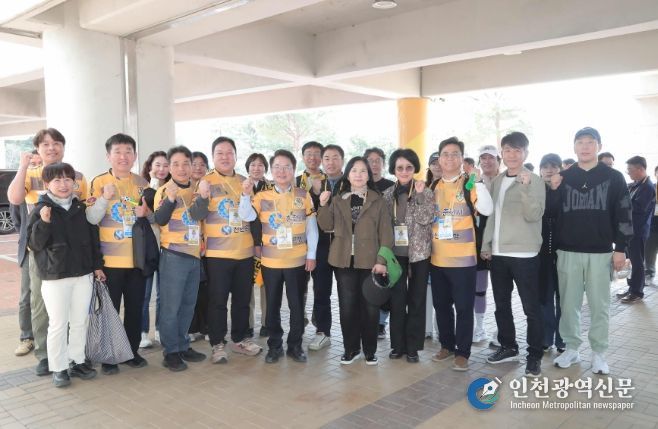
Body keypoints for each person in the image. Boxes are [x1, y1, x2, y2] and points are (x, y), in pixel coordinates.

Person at [548, 127, 633, 375]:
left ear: (599, 146)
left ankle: (599, 353)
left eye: (590, 142)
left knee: (600, 305)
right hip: (567, 251)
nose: (585, 147)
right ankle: (571, 348)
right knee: (568, 304)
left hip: (601, 252)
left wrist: (621, 248)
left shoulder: (613, 177)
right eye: (580, 142)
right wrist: (553, 190)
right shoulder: (563, 177)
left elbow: (624, 213)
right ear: (574, 146)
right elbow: (550, 214)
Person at [7, 128, 89, 377]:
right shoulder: (31, 174)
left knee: (72, 307)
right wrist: (23, 166)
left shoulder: (77, 176)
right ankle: (45, 355)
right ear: (37, 149)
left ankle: (72, 355)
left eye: (56, 143)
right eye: (45, 144)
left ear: (63, 147)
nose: (51, 148)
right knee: (40, 304)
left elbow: (83, 210)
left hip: (70, 251)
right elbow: (15, 198)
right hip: (40, 248)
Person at [27, 162, 103, 387]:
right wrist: (44, 222)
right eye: (57, 180)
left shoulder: (80, 207)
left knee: (80, 321)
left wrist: (97, 266)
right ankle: (59, 367)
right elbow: (33, 244)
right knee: (58, 324)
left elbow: (92, 240)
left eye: (68, 179)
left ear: (74, 182)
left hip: (83, 274)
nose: (63, 184)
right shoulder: (41, 208)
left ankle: (77, 360)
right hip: (55, 276)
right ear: (47, 184)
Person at [239, 149, 318, 364]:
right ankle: (274, 346)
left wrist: (311, 254)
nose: (282, 171)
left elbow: (311, 227)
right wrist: (245, 195)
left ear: (293, 169)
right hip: (271, 261)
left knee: (297, 305)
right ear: (271, 171)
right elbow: (246, 215)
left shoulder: (303, 195)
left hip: (298, 260)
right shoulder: (261, 196)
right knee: (272, 305)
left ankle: (295, 345)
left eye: (287, 167)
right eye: (277, 167)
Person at [188, 137, 261, 364]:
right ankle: (217, 343)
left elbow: (253, 216)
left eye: (229, 152)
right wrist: (202, 195)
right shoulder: (205, 182)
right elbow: (196, 215)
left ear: (236, 156)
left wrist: (257, 244)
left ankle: (240, 339)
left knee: (242, 299)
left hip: (244, 252)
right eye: (220, 153)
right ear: (213, 157)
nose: (225, 157)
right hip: (217, 254)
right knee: (217, 301)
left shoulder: (244, 181)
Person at [481, 132, 546, 378]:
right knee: (501, 305)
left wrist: (526, 188)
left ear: (525, 153)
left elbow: (534, 215)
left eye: (517, 150)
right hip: (498, 253)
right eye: (507, 150)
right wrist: (486, 244)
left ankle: (534, 356)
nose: (512, 155)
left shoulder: (534, 180)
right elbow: (492, 215)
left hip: (524, 253)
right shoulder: (498, 180)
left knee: (531, 308)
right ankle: (508, 346)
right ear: (502, 153)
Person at [317, 156, 393, 365]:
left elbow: (386, 234)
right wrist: (322, 204)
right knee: (347, 307)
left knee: (370, 308)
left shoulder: (378, 200)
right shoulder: (338, 199)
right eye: (354, 170)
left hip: (371, 261)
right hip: (343, 261)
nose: (358, 175)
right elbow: (327, 225)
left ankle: (370, 350)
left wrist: (382, 260)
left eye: (363, 171)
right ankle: (351, 349)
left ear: (368, 175)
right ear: (347, 174)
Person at [86, 133, 150, 375]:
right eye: (118, 152)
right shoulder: (99, 181)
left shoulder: (142, 183)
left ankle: (131, 352)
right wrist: (104, 197)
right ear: (108, 156)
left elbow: (150, 218)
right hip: (109, 261)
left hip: (137, 260)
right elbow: (91, 219)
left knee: (135, 308)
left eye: (128, 152)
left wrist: (147, 214)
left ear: (135, 155)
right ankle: (109, 357)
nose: (123, 156)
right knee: (109, 311)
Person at [430, 137, 493, 372]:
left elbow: (486, 209)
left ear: (462, 158)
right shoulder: (433, 186)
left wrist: (479, 182)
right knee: (441, 305)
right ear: (439, 159)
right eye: (445, 154)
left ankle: (462, 352)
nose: (450, 158)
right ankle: (446, 345)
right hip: (437, 258)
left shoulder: (469, 183)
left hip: (464, 260)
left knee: (464, 307)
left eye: (455, 154)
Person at [154, 146, 208, 371]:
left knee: (187, 305)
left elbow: (200, 215)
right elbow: (160, 219)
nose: (182, 168)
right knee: (171, 306)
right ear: (169, 167)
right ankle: (171, 351)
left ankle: (183, 344)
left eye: (186, 163)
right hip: (173, 255)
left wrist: (203, 196)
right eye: (175, 164)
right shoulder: (164, 190)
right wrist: (170, 199)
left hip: (194, 256)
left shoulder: (197, 188)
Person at [382, 149, 434, 363]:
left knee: (417, 300)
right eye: (400, 168)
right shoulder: (387, 194)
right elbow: (384, 227)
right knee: (397, 300)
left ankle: (413, 347)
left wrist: (420, 196)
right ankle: (398, 345)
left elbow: (426, 219)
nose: (404, 171)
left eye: (409, 167)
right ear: (394, 170)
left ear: (415, 169)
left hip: (419, 255)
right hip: (396, 255)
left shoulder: (425, 191)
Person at [305, 144, 345, 350]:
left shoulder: (351, 183)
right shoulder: (315, 186)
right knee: (321, 291)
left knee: (348, 293)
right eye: (327, 158)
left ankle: (352, 334)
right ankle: (322, 332)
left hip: (345, 247)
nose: (330, 162)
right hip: (321, 246)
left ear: (342, 161)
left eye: (335, 157)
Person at [139, 151, 170, 348]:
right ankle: (143, 332)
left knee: (163, 293)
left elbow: (161, 218)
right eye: (157, 165)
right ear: (150, 167)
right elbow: (146, 211)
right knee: (145, 292)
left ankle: (160, 329)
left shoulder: (173, 189)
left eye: (166, 165)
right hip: (148, 247)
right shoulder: (143, 187)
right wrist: (153, 183)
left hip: (167, 246)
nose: (161, 169)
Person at [364, 147, 395, 340]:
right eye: (370, 160)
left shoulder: (391, 186)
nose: (374, 164)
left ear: (383, 164)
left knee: (383, 283)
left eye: (378, 161)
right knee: (368, 285)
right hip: (365, 244)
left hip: (386, 241)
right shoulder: (360, 184)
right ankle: (367, 322)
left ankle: (381, 323)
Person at [616, 156, 655, 303]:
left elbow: (637, 208)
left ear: (640, 169)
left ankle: (637, 292)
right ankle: (631, 288)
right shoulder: (636, 185)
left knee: (637, 262)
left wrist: (622, 204)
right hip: (630, 230)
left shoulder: (647, 187)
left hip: (638, 231)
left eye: (630, 170)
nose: (628, 173)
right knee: (631, 261)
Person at [538, 153, 565, 354]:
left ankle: (562, 339)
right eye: (545, 167)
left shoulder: (567, 190)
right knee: (544, 297)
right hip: (541, 254)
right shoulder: (534, 190)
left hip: (564, 252)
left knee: (564, 298)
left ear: (560, 169)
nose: (549, 170)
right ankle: (546, 338)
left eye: (554, 166)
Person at [473, 145, 500, 345]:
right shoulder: (474, 183)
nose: (487, 162)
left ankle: (501, 330)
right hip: (478, 243)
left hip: (502, 244)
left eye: (491, 158)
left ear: (499, 160)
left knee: (501, 291)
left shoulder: (506, 181)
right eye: (483, 158)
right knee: (479, 289)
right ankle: (479, 328)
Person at [246, 152, 272, 337]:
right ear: (247, 167)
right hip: (245, 242)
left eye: (260, 165)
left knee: (267, 285)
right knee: (246, 286)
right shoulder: (242, 186)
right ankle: (247, 324)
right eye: (253, 165)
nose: (256, 168)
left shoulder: (272, 188)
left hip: (268, 244)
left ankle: (267, 323)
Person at [188, 151, 210, 341]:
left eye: (202, 164)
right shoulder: (183, 188)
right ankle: (192, 327)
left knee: (206, 289)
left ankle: (207, 327)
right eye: (194, 164)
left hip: (208, 244)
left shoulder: (210, 187)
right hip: (187, 244)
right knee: (191, 289)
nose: (198, 168)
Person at [424, 151, 441, 339]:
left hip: (446, 244)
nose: (437, 166)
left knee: (442, 289)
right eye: (433, 163)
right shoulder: (422, 186)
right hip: (425, 244)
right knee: (427, 286)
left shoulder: (454, 185)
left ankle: (440, 327)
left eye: (439, 162)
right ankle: (427, 327)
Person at [645, 165, 658, 283]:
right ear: (655, 174)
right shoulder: (651, 187)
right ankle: (649, 271)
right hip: (652, 222)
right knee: (650, 249)